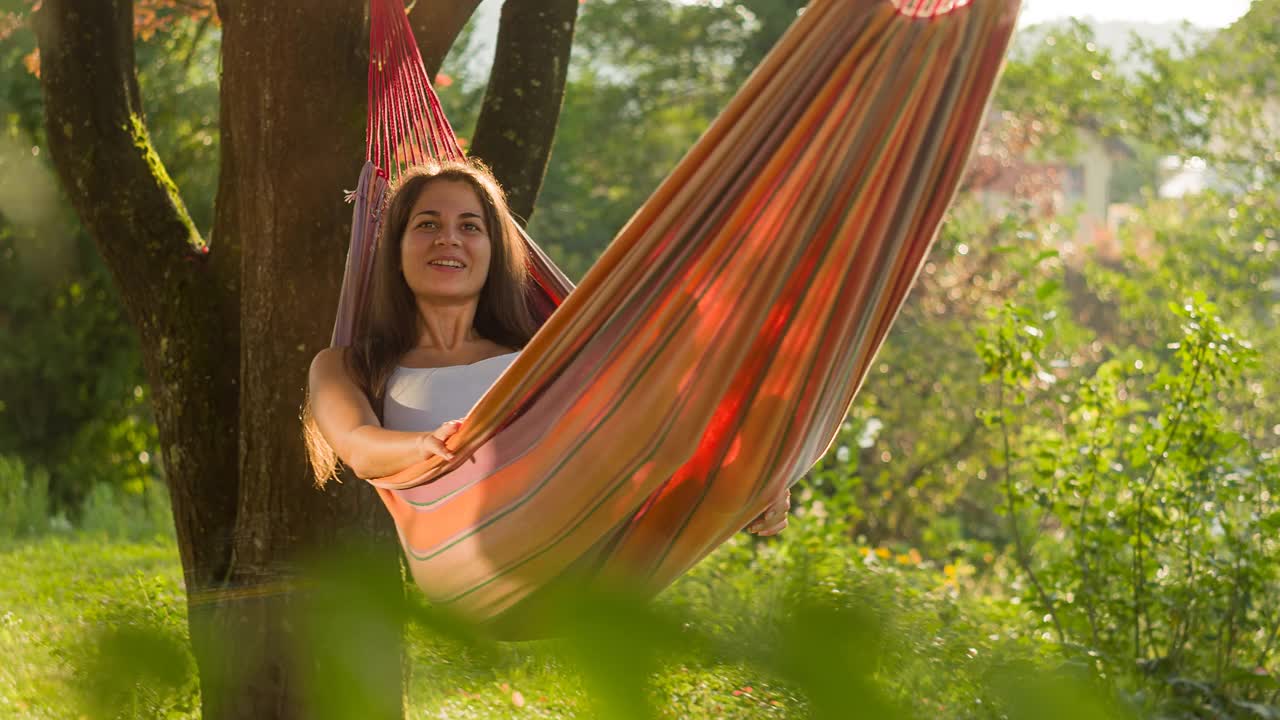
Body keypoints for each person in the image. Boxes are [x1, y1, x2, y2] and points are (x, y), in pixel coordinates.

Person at [304, 158, 790, 536]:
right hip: (467, 553)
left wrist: (739, 481)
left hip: (584, 529)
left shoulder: (546, 358)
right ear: (396, 248)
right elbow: (359, 448)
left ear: (493, 253)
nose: (448, 239)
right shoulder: (347, 364)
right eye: (427, 224)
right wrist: (429, 444)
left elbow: (639, 429)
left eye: (470, 227)